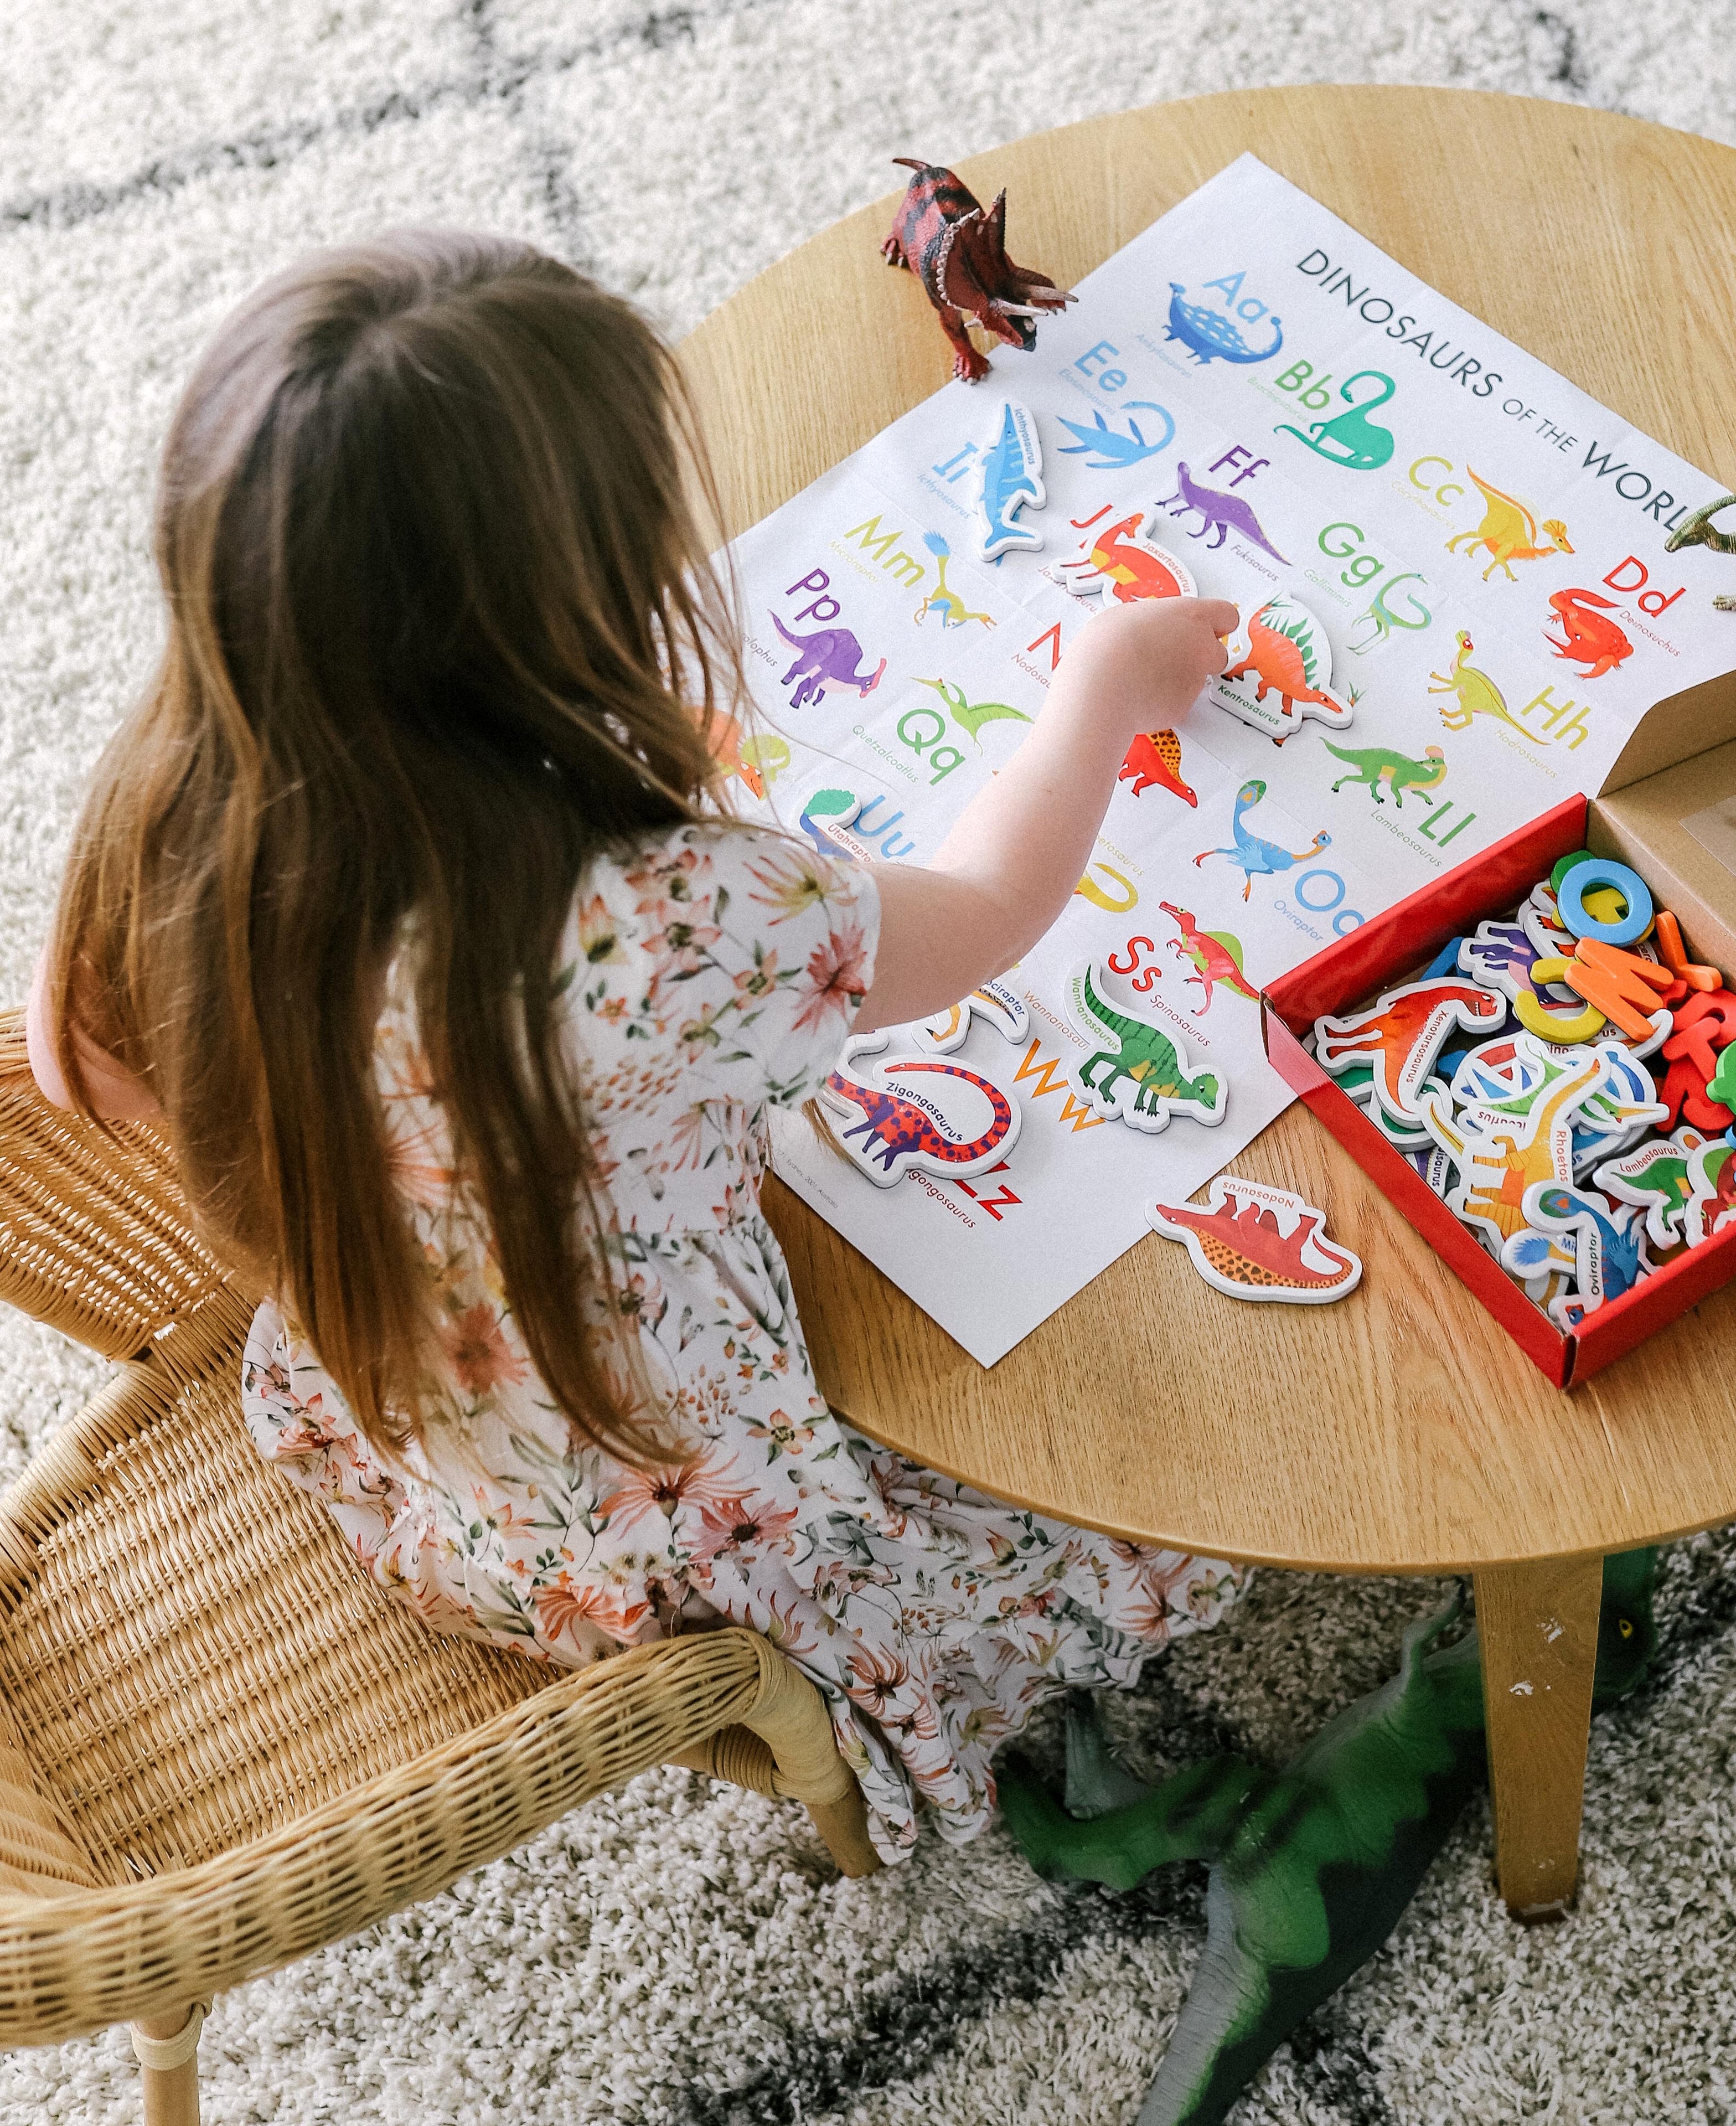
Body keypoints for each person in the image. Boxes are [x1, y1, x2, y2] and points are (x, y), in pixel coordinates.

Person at [26, 233, 1245, 1860]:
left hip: (386, 1424)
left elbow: (68, 1072)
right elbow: (989, 908)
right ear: (571, 610)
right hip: (690, 1548)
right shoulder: (664, 926)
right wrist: (1101, 681)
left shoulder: (160, 810)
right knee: (1197, 1521)